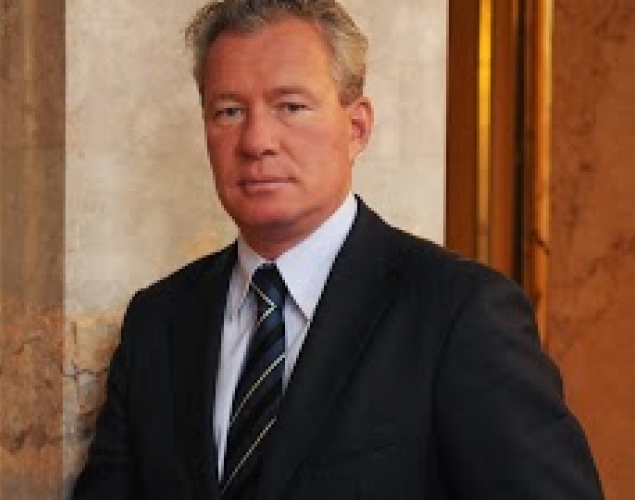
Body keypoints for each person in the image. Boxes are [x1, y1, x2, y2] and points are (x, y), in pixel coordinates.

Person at [73, 0, 604, 498]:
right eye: (229, 111)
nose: (256, 141)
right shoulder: (158, 321)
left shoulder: (458, 312)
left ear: (356, 128)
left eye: (290, 106)